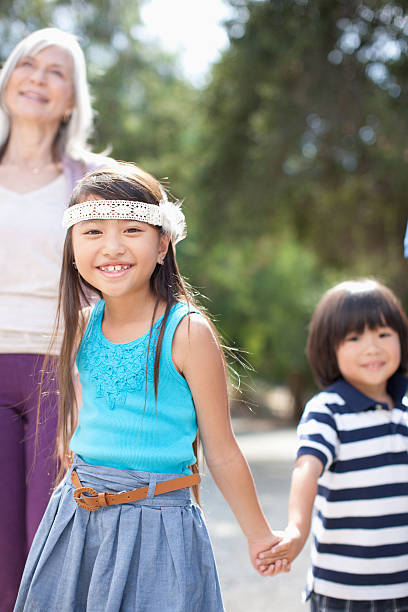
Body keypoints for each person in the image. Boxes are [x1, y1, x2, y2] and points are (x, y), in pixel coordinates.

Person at [14, 163, 285, 612]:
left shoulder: (187, 333)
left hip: (157, 525)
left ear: (162, 245)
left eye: (132, 229)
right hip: (77, 519)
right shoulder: (83, 325)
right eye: (93, 232)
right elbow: (88, 412)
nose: (112, 246)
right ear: (72, 248)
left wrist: (259, 534)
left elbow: (221, 449)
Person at [0, 27, 113, 610]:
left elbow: (122, 275)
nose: (38, 78)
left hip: (61, 374)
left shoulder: (90, 181)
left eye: (56, 71)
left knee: (55, 535)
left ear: (72, 99)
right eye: (27, 64)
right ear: (8, 78)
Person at [256, 279, 408, 611]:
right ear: (330, 349)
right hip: (345, 590)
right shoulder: (328, 410)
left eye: (383, 334)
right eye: (354, 338)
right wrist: (297, 529)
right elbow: (306, 470)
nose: (372, 348)